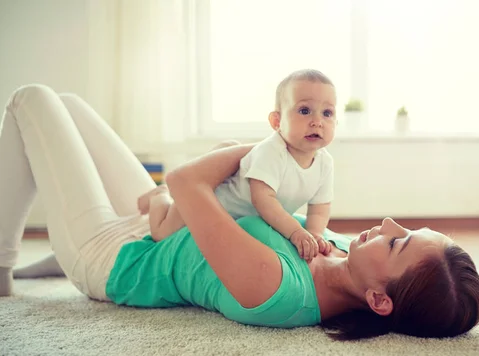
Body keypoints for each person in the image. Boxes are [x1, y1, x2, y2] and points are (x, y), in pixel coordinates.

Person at [0, 84, 479, 340]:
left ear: (380, 301)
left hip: (115, 258)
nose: (387, 224)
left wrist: (287, 139)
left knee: (32, 99)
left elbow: (186, 181)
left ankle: (3, 263)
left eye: (397, 241)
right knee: (66, 104)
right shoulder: (336, 250)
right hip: (158, 226)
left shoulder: (278, 288)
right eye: (405, 226)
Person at [139, 69, 337, 262]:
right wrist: (295, 232)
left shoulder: (324, 163)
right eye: (304, 110)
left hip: (241, 221)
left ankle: (223, 151)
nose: (317, 121)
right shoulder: (272, 151)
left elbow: (320, 207)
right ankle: (159, 195)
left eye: (327, 113)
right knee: (161, 233)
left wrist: (314, 233)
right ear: (277, 121)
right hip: (210, 200)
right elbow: (263, 200)